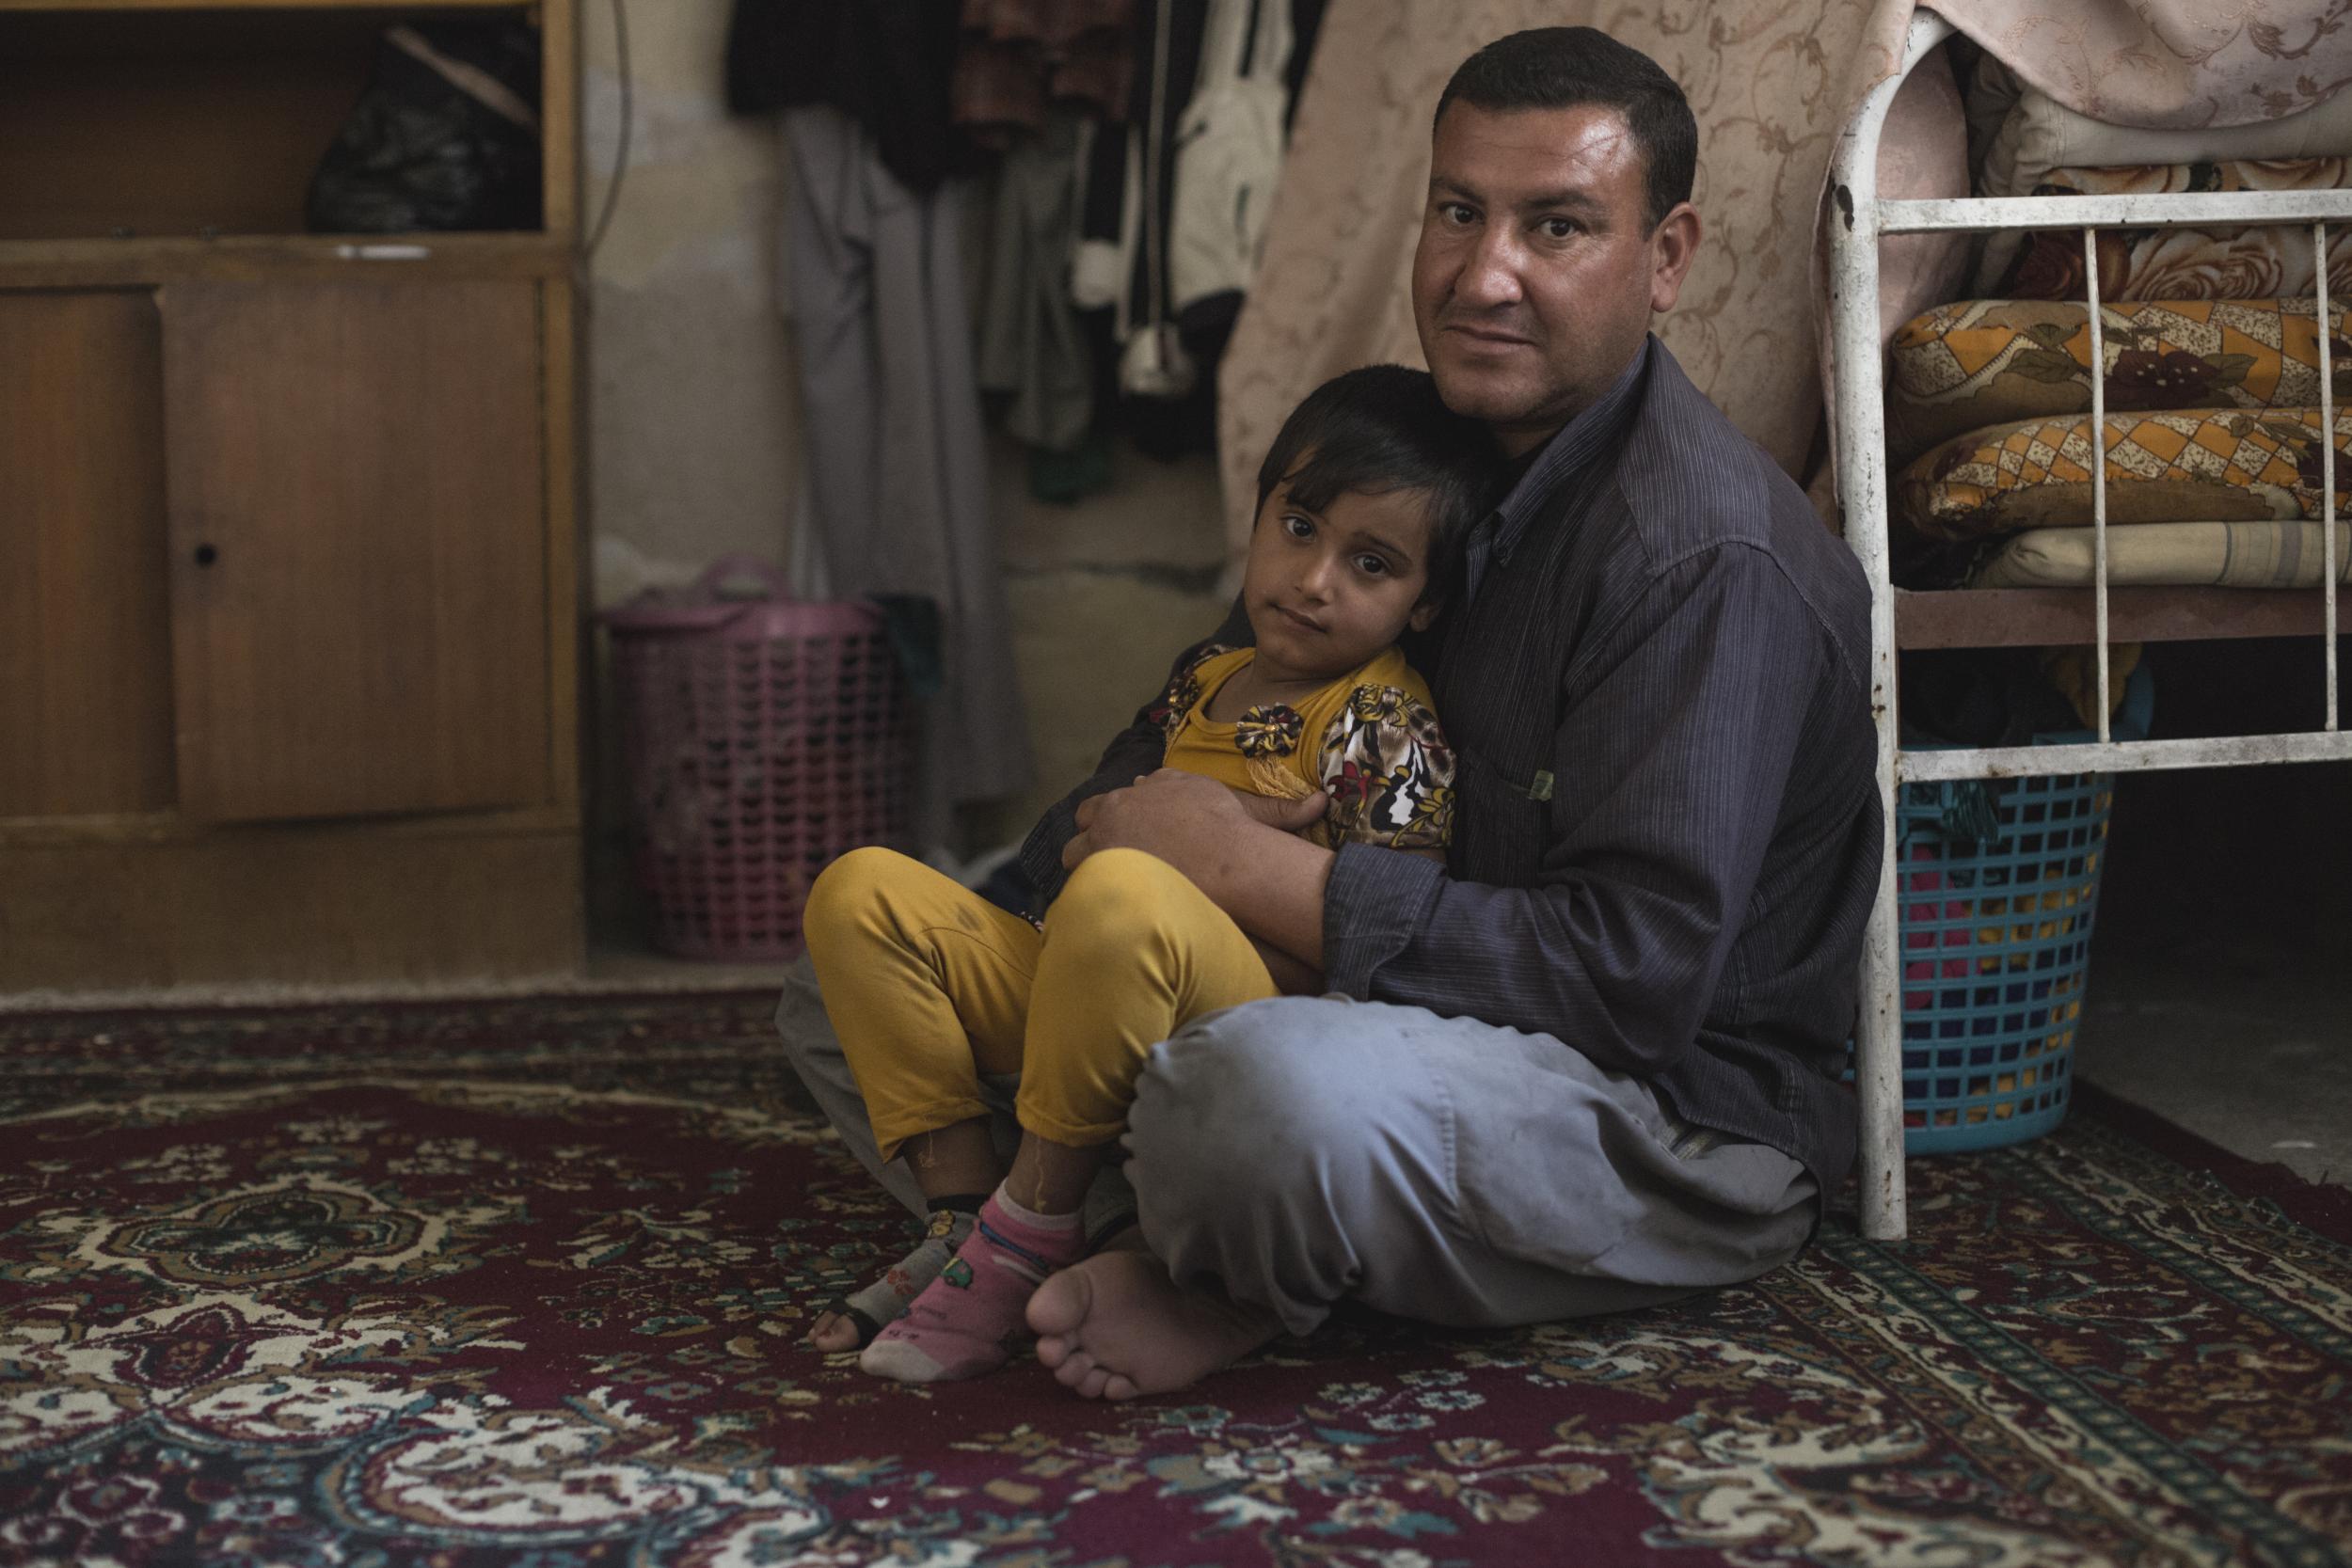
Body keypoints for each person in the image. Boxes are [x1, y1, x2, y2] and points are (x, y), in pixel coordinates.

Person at [777, 24, 1881, 1403]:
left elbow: (1631, 985)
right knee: (854, 968)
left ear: (1665, 259)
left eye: (1558, 227)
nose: (1487, 274)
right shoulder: (1406, 457)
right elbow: (1183, 730)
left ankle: (1203, 1263)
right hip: (1326, 994)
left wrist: (1255, 868)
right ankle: (1059, 1220)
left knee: (1262, 1099)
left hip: (1648, 1110)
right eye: (1459, 212)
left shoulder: (1700, 559)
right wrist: (1099, 866)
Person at [795, 366, 1498, 1382]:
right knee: (861, 890)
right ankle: (962, 1220)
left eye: (1371, 562)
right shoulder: (1204, 676)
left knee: (1124, 887)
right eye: (1299, 527)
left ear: (1423, 602)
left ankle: (1031, 1225)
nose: (1314, 579)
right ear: (1256, 515)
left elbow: (1382, 951)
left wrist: (1228, 866)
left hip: (1239, 1018)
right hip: (1093, 973)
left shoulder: (1382, 720)